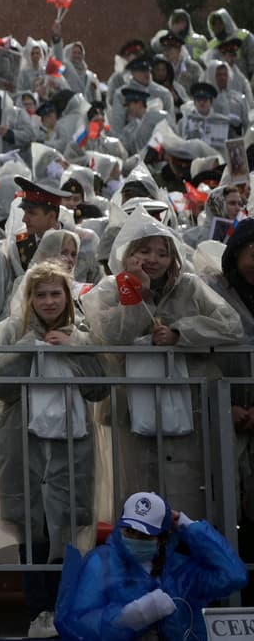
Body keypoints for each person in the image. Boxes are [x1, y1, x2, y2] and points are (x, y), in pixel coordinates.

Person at [0, 261, 108, 638]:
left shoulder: (84, 334)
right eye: (41, 294)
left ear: (67, 296)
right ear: (29, 299)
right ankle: (39, 610)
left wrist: (74, 350)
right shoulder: (11, 333)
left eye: (56, 293)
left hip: (72, 448)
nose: (49, 301)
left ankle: (67, 608)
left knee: (68, 528)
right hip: (23, 447)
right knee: (33, 528)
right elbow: (0, 386)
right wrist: (28, 351)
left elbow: (101, 388)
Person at [83, 208, 243, 518]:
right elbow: (109, 335)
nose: (153, 259)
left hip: (193, 410)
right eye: (144, 251)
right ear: (127, 253)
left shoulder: (191, 287)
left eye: (162, 253)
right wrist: (135, 293)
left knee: (189, 497)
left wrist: (181, 333)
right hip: (131, 413)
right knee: (137, 497)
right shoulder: (107, 291)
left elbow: (230, 324)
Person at [55, 490, 246, 640]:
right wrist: (133, 615)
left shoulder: (179, 569)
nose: (135, 539)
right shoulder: (101, 562)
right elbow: (77, 624)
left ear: (162, 538)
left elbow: (233, 575)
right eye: (129, 531)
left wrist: (186, 524)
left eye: (145, 535)